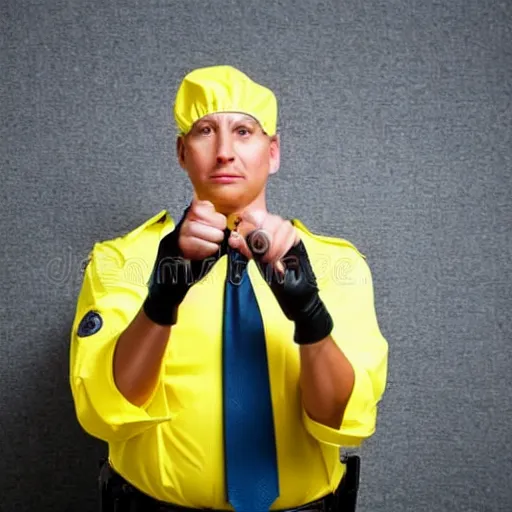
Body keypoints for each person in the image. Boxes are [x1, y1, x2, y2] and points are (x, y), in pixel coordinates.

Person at [69, 65, 388, 512]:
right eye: (204, 131)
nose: (224, 152)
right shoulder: (121, 260)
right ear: (182, 153)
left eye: (243, 131)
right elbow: (107, 411)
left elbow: (342, 421)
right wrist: (161, 300)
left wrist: (310, 314)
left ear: (273, 152)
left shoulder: (339, 265)